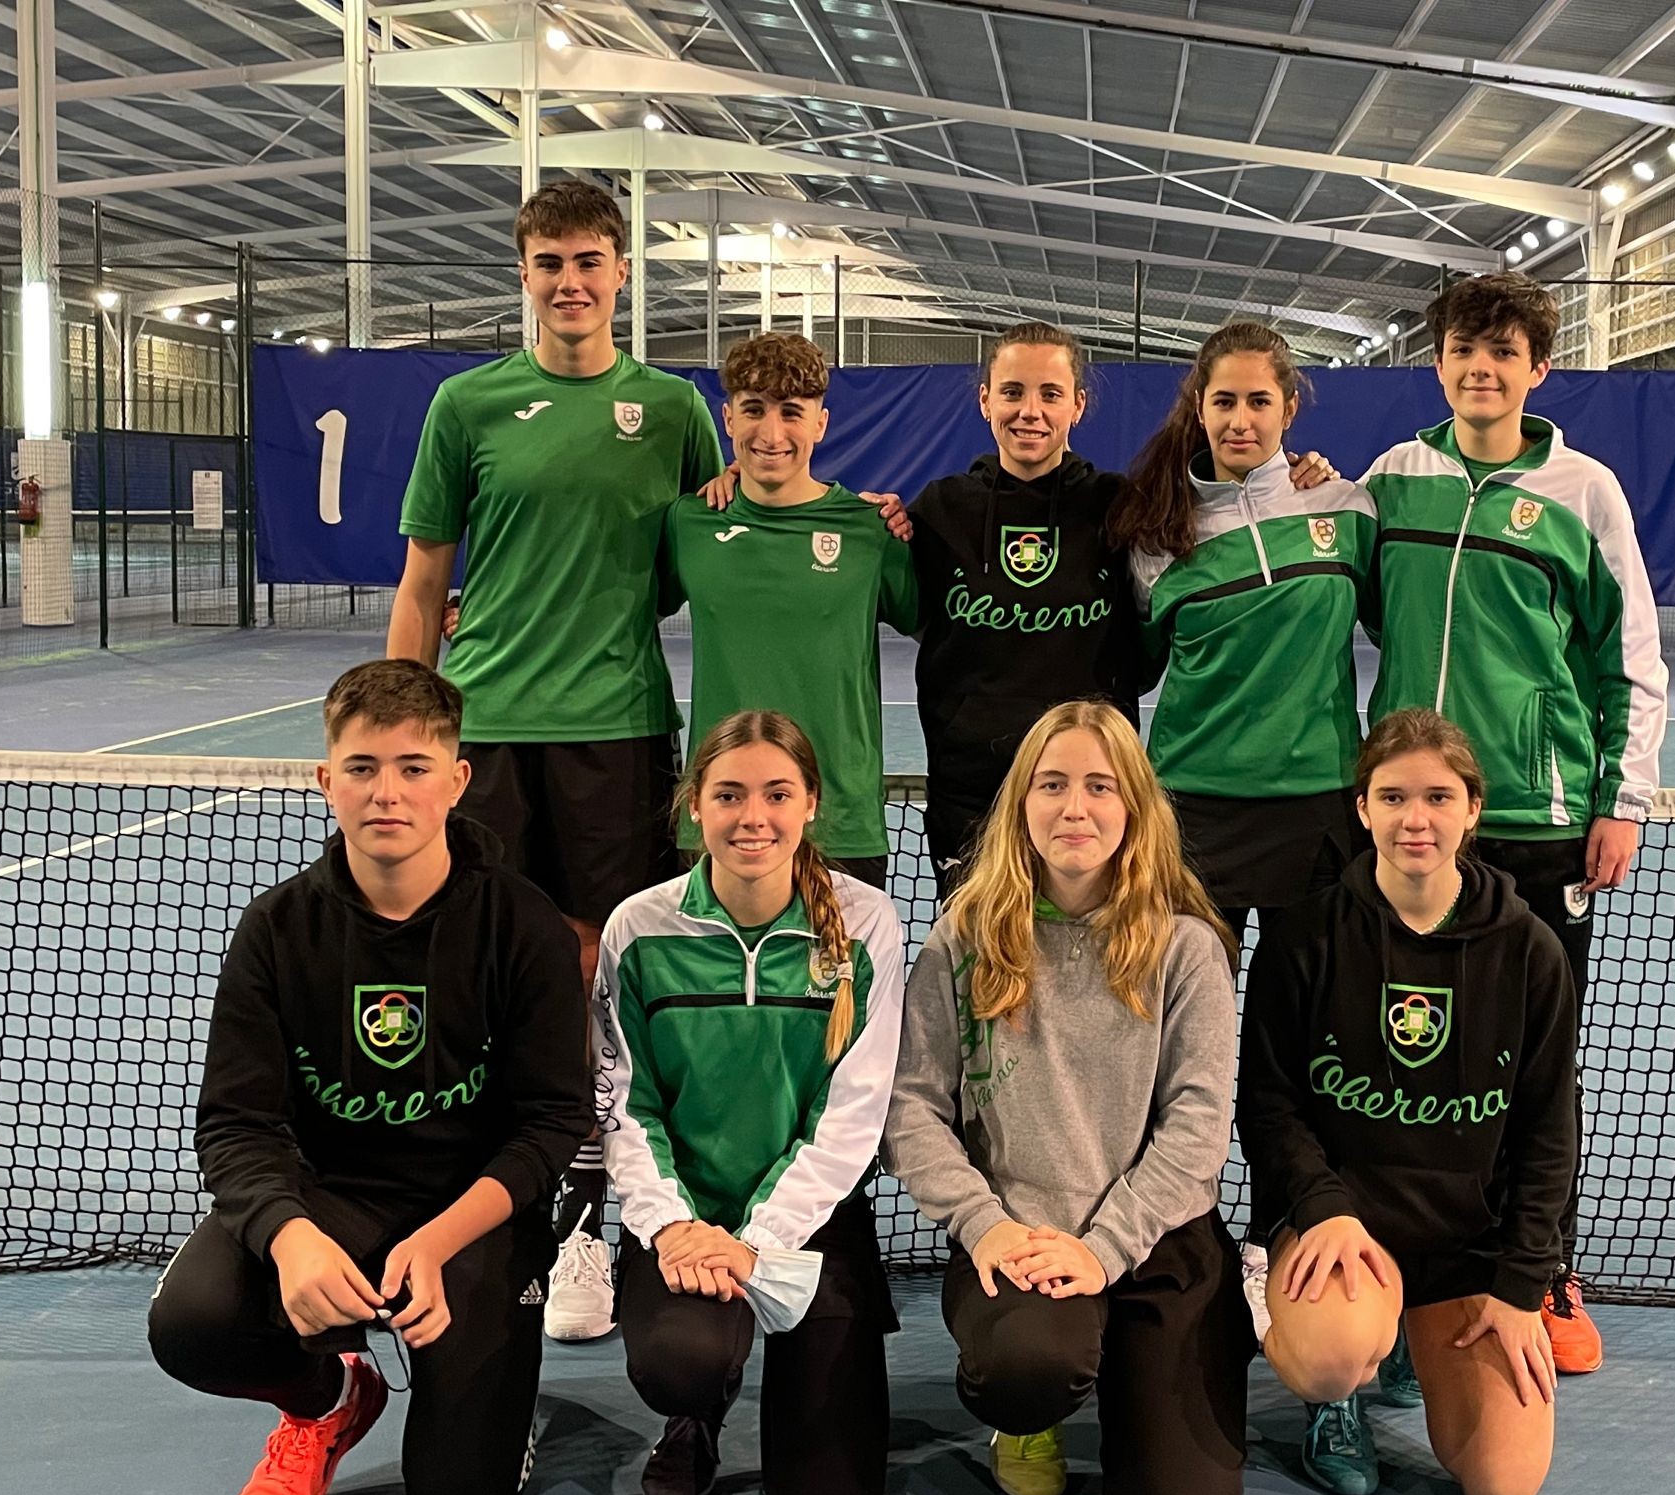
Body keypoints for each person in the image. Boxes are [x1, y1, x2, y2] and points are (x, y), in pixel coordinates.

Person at [388, 177, 725, 1348]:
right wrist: (403, 729)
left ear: (623, 272)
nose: (570, 282)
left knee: (595, 967)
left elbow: (712, 541)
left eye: (589, 260)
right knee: (475, 955)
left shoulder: (674, 407)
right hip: (484, 731)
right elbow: (426, 580)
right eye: (548, 264)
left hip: (618, 728)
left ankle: (587, 1210)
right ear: (522, 275)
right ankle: (472, 1190)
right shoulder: (466, 405)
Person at [147, 661, 589, 1495]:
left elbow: (551, 1124)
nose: (387, 791)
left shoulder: (524, 925)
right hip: (334, 1198)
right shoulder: (275, 931)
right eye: (361, 767)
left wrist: (439, 1240)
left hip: (474, 1218)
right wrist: (291, 1235)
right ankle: (329, 1399)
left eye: (413, 767)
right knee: (194, 1324)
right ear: (326, 779)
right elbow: (237, 1125)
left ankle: (491, 1377)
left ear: (457, 781)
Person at [1362, 271, 1669, 1375]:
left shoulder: (1583, 492)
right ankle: (1402, 1270)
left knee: (1532, 1062)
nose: (1477, 367)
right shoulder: (1393, 480)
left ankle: (1538, 1272)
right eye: (1460, 347)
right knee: (1400, 1051)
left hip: (1537, 822)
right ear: (1437, 360)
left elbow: (1627, 657)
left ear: (1537, 369)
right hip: (1404, 823)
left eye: (1501, 351)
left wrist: (1618, 800)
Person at [884, 700, 1249, 1495]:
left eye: (1100, 785)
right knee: (1031, 1367)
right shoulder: (965, 941)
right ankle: (1033, 1409)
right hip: (1019, 1243)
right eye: (1052, 784)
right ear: (1022, 804)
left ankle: (1134, 1357)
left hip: (1153, 1242)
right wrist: (988, 1226)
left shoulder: (1189, 948)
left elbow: (1198, 1130)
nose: (1074, 806)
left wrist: (1107, 1250)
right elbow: (912, 1111)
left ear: (1134, 811)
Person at [1237, 708, 1576, 1495]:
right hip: (1344, 1233)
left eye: (1435, 797)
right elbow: (1269, 1101)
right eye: (1391, 797)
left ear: (1472, 808)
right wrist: (1321, 1210)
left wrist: (1523, 1283)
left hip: (1466, 1246)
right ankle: (1339, 1393)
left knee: (1502, 1487)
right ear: (1362, 810)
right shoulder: (1307, 938)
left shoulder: (1531, 951)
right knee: (1332, 1350)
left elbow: (1547, 1130)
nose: (1413, 819)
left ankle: (1407, 1344)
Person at [594, 710, 905, 1495]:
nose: (752, 816)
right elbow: (626, 1105)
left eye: (777, 793)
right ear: (695, 804)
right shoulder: (638, 930)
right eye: (728, 794)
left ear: (811, 804)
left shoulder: (868, 925)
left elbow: (853, 1114)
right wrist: (674, 1226)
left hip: (808, 1222)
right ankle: (696, 1411)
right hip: (683, 1224)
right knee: (681, 1361)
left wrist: (757, 1242)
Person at [910, 323, 1337, 897]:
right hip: (971, 794)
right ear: (985, 399)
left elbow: (1143, 656)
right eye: (1011, 392)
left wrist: (1304, 474)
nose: (1029, 411)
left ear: (1078, 405)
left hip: (1091, 796)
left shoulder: (1124, 512)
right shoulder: (938, 512)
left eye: (1050, 393)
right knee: (979, 969)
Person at [1107, 320, 1378, 943]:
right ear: (1199, 409)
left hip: (1321, 805)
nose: (1241, 421)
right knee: (1185, 1021)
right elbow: (1139, 667)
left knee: (1308, 1021)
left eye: (1259, 402)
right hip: (1193, 810)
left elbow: (1395, 626)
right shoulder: (1157, 533)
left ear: (1289, 408)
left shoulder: (1344, 506)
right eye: (1224, 402)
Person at [660, 332, 916, 889]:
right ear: (727, 419)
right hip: (718, 820)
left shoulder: (872, 530)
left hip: (839, 826)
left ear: (820, 424)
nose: (772, 433)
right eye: (754, 410)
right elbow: (609, 603)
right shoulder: (688, 523)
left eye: (792, 413)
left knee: (835, 980)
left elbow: (952, 629)